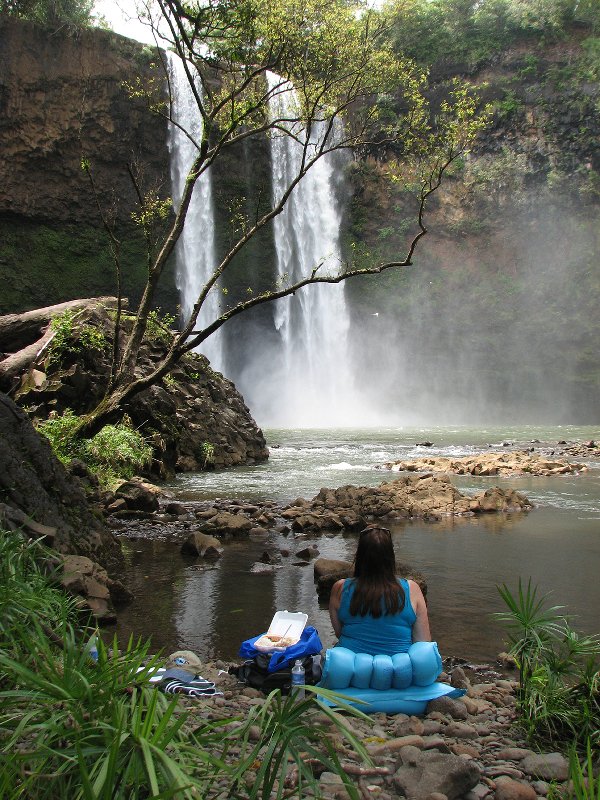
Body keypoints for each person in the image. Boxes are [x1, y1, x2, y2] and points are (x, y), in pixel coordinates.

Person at [328, 526, 431, 656]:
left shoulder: (340, 588)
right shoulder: (412, 589)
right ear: (391, 555)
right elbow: (423, 643)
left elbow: (339, 633)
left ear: (360, 555)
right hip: (398, 670)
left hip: (352, 669)